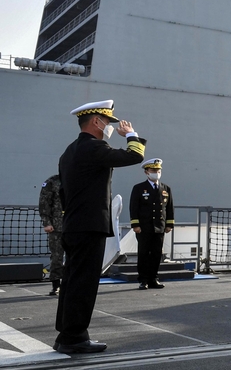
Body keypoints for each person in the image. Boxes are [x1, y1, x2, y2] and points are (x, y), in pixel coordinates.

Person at [55, 100, 145, 354]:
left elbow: (63, 192)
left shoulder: (69, 151)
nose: (110, 127)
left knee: (72, 280)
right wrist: (131, 135)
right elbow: (134, 156)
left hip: (73, 224)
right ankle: (74, 338)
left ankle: (65, 334)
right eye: (108, 122)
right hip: (88, 226)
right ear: (96, 121)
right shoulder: (94, 147)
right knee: (83, 283)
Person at [129, 159, 174, 290]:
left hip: (159, 227)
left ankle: (153, 278)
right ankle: (143, 280)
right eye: (153, 171)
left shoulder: (166, 189)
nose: (156, 173)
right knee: (144, 254)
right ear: (146, 172)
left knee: (156, 254)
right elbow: (134, 207)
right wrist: (135, 224)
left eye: (158, 171)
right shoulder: (139, 188)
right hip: (144, 227)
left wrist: (169, 224)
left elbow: (169, 208)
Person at [38, 174, 64, 296]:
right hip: (56, 226)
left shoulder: (76, 178)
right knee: (56, 256)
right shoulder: (52, 182)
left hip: (74, 225)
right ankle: (56, 284)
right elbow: (44, 203)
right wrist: (47, 223)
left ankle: (70, 283)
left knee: (75, 256)